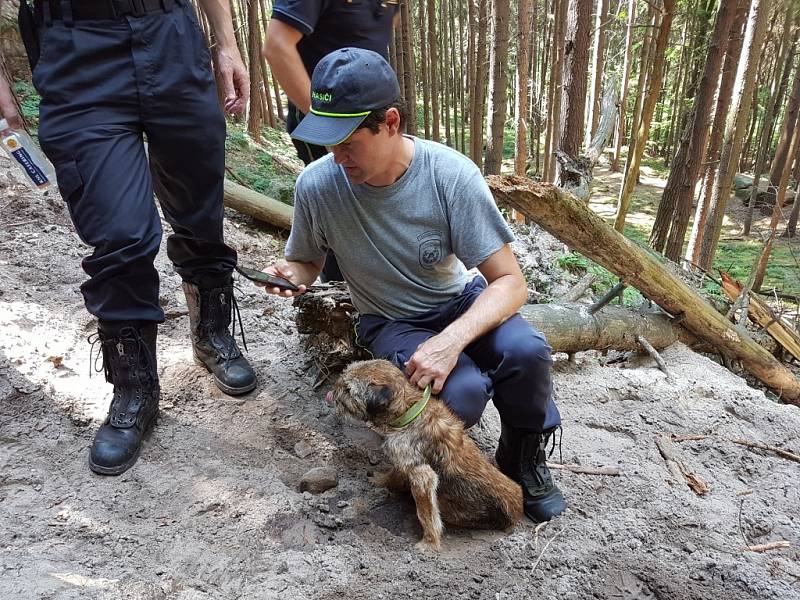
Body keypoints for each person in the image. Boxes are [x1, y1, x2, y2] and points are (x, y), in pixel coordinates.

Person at [262, 48, 567, 522]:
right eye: (327, 143)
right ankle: (425, 478)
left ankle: (521, 456)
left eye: (347, 142)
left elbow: (510, 283)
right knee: (459, 392)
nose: (336, 158)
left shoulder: (449, 175)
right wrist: (291, 277)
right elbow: (305, 262)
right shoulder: (317, 187)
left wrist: (451, 340)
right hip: (390, 320)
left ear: (390, 122)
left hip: (456, 301)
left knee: (526, 350)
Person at [0, 0, 257, 476]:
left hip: (172, 35)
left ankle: (212, 333)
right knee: (120, 234)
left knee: (200, 210)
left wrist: (226, 45)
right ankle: (134, 387)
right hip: (76, 50)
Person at [263, 0, 398, 282]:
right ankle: (343, 313)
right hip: (330, 116)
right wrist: (331, 129)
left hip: (374, 119)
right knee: (343, 222)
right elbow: (276, 45)